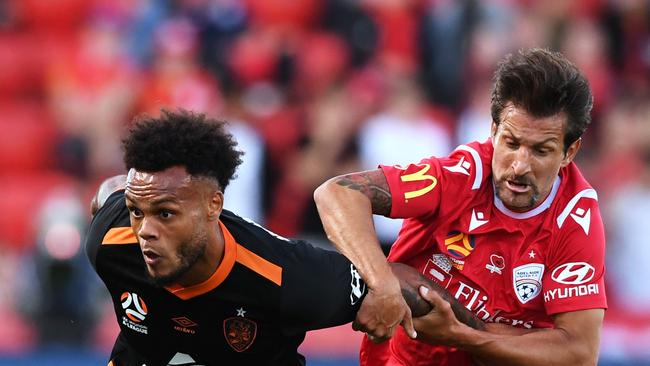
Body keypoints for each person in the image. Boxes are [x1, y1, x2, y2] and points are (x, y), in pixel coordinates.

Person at [314, 48, 607, 365]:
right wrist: (383, 284)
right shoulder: (459, 176)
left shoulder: (575, 219)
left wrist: (463, 335)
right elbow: (337, 193)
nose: (520, 165)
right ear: (494, 131)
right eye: (511, 143)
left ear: (569, 152)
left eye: (541, 150)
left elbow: (580, 353)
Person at [85, 110, 372, 365]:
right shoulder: (111, 239)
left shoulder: (290, 276)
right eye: (136, 211)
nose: (145, 230)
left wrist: (386, 295)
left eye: (165, 214)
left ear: (213, 206)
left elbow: (388, 289)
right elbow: (111, 190)